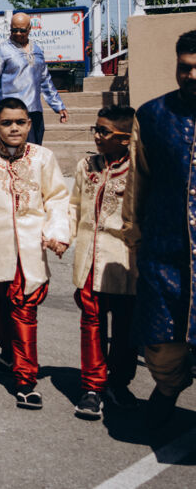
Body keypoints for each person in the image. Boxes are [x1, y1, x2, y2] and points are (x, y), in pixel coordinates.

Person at [0, 97, 71, 410]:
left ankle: (25, 381)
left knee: (23, 311)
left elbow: (57, 198)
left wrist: (57, 233)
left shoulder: (43, 158)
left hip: (30, 249)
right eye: (6, 123)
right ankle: (8, 352)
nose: (14, 128)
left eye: (20, 122)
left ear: (29, 124)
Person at [127, 29, 196, 429]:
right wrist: (134, 241)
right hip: (164, 252)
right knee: (160, 341)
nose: (191, 76)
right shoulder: (152, 116)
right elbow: (138, 182)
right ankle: (168, 388)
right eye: (184, 67)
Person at [67, 105, 138, 420]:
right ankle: (92, 388)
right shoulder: (87, 166)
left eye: (104, 131)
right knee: (91, 325)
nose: (96, 136)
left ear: (125, 138)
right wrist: (62, 235)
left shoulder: (138, 170)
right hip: (89, 261)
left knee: (125, 329)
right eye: (95, 129)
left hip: (124, 263)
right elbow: (74, 205)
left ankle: (119, 383)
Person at [0, 12, 68, 145]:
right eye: (14, 30)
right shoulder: (1, 51)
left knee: (34, 151)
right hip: (11, 112)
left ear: (29, 29)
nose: (17, 33)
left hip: (34, 111)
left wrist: (58, 105)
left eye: (22, 30)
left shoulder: (37, 50)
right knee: (14, 152)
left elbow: (45, 80)